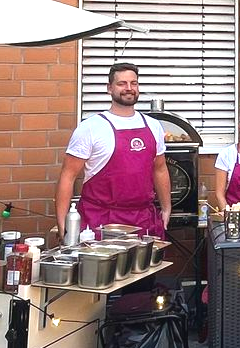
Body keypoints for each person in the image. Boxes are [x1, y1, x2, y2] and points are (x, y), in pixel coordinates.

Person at [56, 62, 169, 239]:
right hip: (100, 221)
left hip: (143, 221)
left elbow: (160, 169)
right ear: (109, 88)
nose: (129, 88)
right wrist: (63, 223)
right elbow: (68, 176)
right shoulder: (91, 128)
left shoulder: (153, 126)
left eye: (134, 83)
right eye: (122, 83)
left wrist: (167, 208)